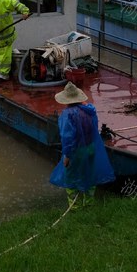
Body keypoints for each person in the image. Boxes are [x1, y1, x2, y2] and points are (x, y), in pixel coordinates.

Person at [49, 81, 115, 209]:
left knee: (71, 177)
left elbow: (67, 138)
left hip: (76, 151)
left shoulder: (67, 115)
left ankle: (75, 207)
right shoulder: (90, 111)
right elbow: (94, 130)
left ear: (66, 100)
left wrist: (67, 156)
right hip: (90, 148)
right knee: (88, 173)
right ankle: (89, 204)